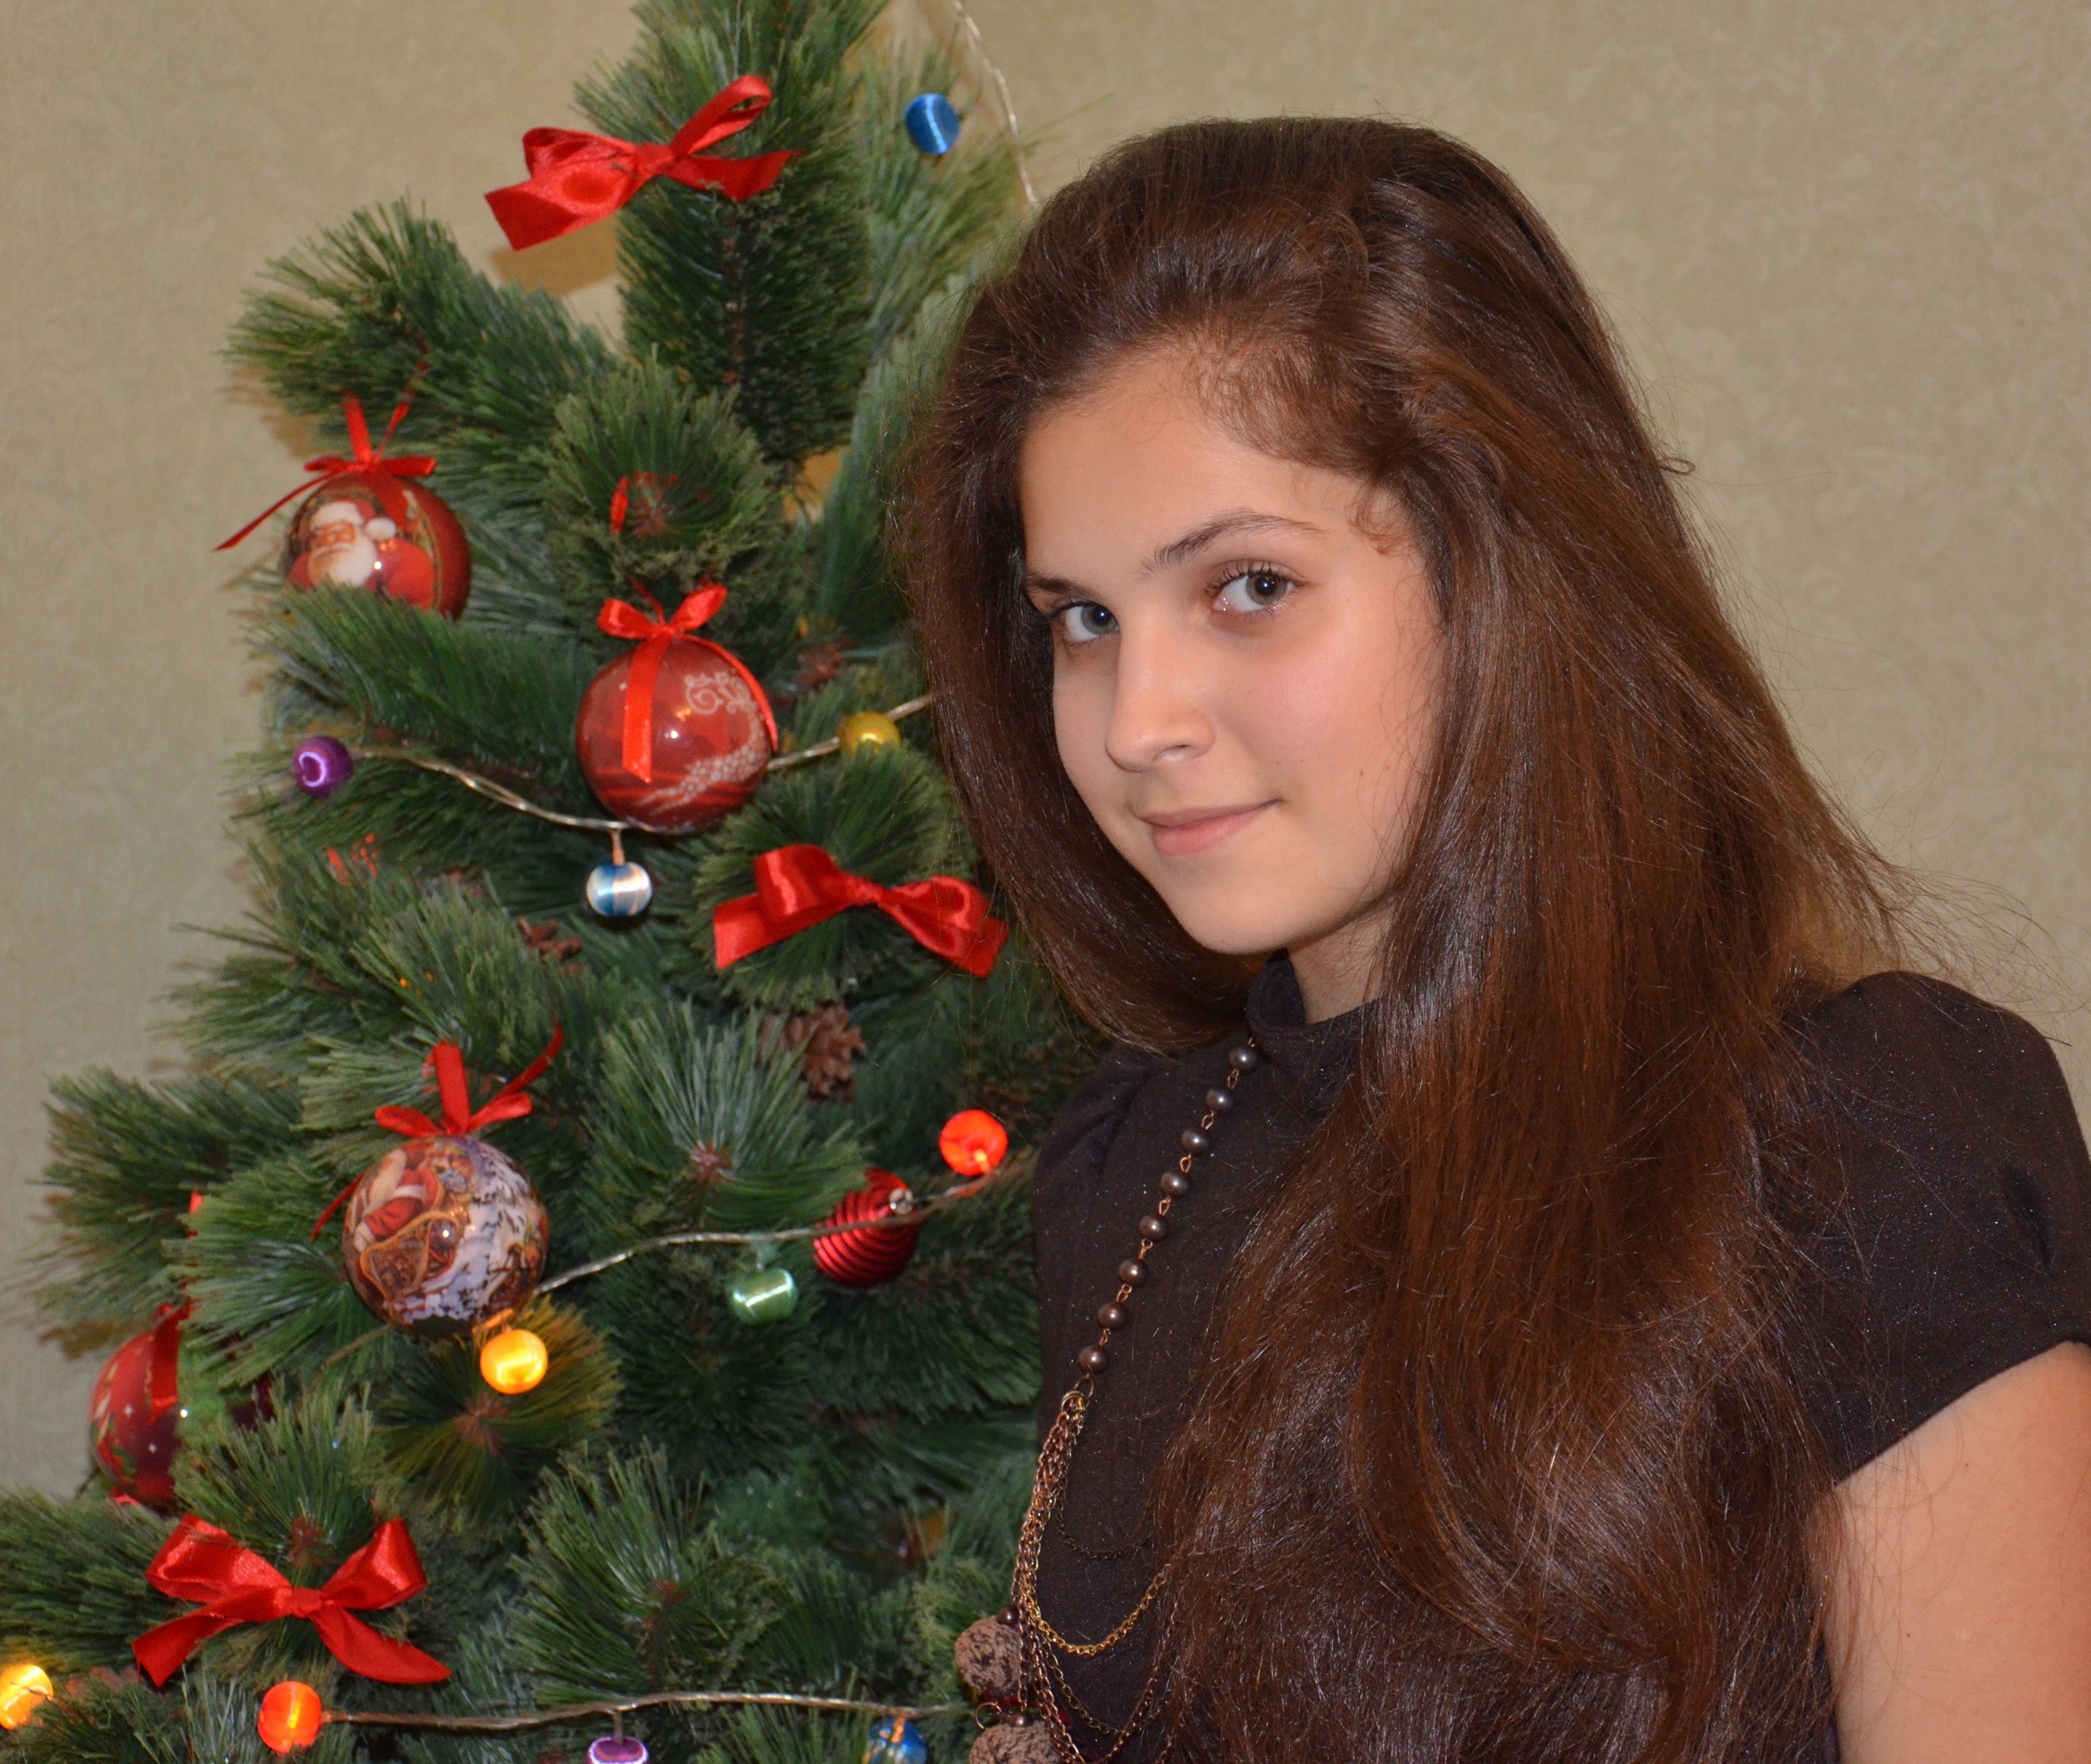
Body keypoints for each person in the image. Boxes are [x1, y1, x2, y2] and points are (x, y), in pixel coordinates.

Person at [905, 119, 2091, 1764]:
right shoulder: (1135, 1164)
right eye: (1085, 620)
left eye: (1248, 586)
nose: (1134, 721)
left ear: (1511, 569)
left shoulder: (1870, 1140)